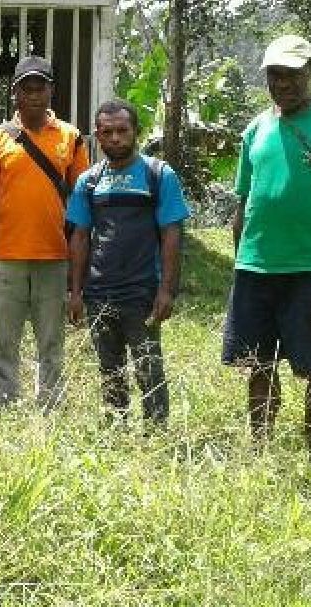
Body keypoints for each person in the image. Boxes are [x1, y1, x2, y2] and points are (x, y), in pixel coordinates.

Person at [222, 34, 311, 473]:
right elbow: (242, 204)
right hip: (255, 270)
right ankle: (260, 454)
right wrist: (242, 261)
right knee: (258, 367)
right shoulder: (255, 130)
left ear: (310, 73)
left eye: (291, 75)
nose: (282, 84)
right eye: (274, 75)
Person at [66, 98, 190, 428]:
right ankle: (116, 434)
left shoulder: (158, 175)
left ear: (136, 131)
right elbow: (79, 238)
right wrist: (76, 292)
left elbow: (172, 235)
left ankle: (157, 436)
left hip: (142, 292)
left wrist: (167, 290)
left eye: (122, 131)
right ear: (97, 135)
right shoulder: (88, 181)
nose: (116, 138)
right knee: (110, 371)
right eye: (107, 132)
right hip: (99, 293)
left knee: (149, 369)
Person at [0, 55, 90, 410]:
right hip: (8, 255)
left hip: (54, 255)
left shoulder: (70, 138)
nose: (35, 95)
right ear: (15, 94)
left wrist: (79, 265)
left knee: (51, 339)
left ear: (51, 91)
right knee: (6, 339)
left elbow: (83, 203)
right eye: (28, 88)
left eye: (41, 87)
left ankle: (51, 407)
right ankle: (5, 404)